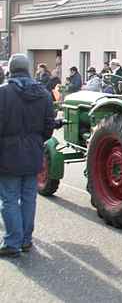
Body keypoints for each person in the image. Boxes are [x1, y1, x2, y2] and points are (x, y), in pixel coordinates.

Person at [0, 54, 55, 257]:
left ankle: (12, 242)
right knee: (29, 198)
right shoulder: (43, 93)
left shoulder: (3, 93)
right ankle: (25, 240)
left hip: (8, 154)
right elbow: (49, 128)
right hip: (33, 152)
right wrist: (36, 141)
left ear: (11, 70)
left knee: (9, 199)